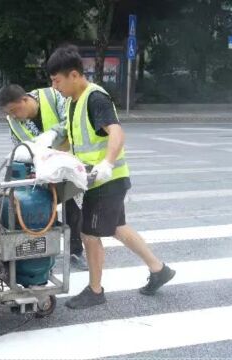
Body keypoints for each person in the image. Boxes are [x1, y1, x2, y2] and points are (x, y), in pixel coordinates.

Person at [43, 45, 175, 309]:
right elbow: (73, 140)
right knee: (116, 228)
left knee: (89, 234)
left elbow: (116, 132)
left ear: (73, 75)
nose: (55, 87)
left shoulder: (95, 98)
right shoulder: (72, 102)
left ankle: (95, 290)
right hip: (94, 179)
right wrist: (45, 152)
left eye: (57, 81)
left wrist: (106, 163)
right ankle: (159, 269)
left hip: (106, 179)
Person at [0, 84, 89, 271]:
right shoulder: (13, 121)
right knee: (43, 209)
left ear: (25, 99)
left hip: (69, 163)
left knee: (73, 209)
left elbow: (72, 119)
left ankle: (75, 250)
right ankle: (44, 254)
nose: (13, 116)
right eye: (9, 113)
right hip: (42, 170)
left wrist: (54, 132)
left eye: (15, 110)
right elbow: (20, 146)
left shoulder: (53, 96)